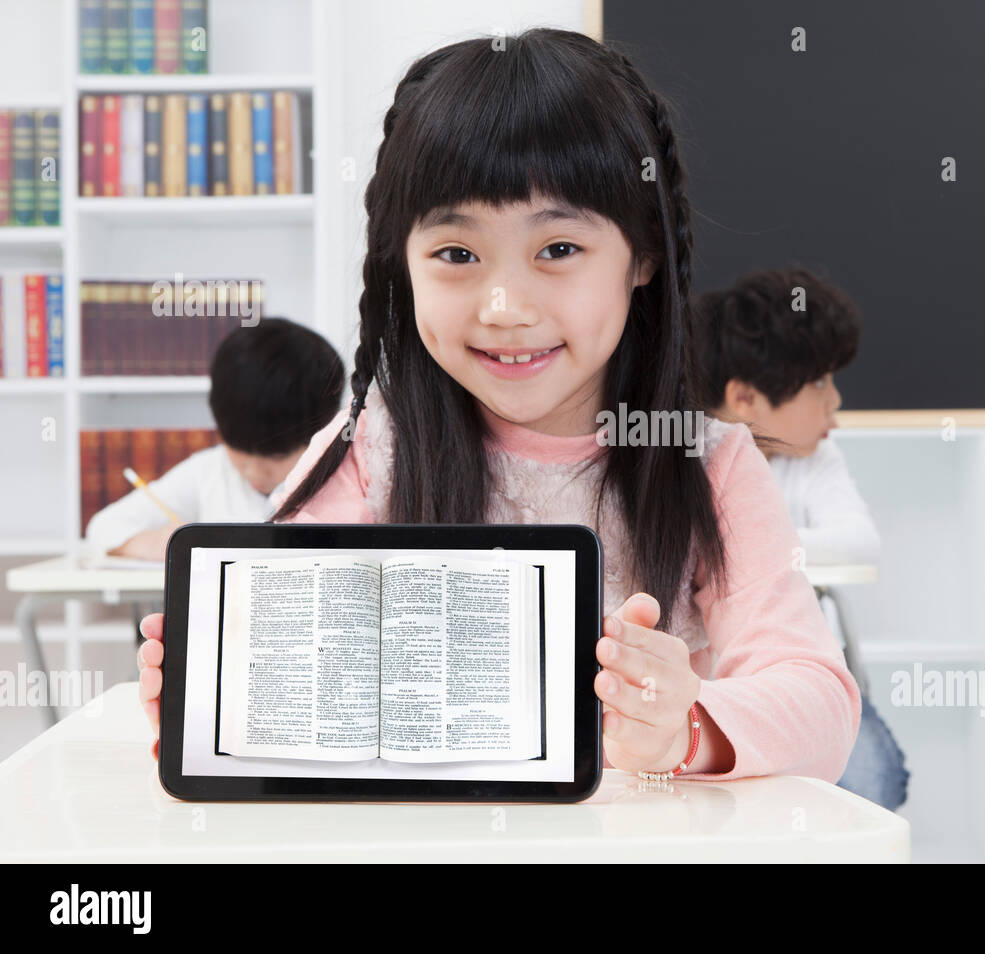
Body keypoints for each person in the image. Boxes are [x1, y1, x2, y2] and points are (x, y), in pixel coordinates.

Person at [138, 28, 861, 783]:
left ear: (642, 255)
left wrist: (686, 727)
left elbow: (819, 703)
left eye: (557, 250)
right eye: (457, 255)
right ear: (404, 264)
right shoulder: (370, 450)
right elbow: (284, 650)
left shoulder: (705, 465)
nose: (506, 306)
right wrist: (229, 701)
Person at [694, 265, 906, 809]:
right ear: (744, 399)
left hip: (792, 684)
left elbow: (860, 542)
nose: (834, 401)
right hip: (702, 691)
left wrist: (745, 554)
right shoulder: (680, 463)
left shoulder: (812, 456)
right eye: (818, 384)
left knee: (876, 779)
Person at [86, 318, 344, 561]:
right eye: (239, 456)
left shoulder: (346, 478)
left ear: (325, 430)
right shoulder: (208, 472)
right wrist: (155, 544)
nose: (254, 472)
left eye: (276, 458)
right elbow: (103, 528)